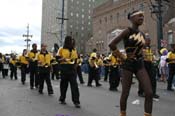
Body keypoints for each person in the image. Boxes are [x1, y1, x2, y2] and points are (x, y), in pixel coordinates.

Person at [109, 10, 153, 116]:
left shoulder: (142, 34)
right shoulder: (127, 31)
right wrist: (122, 56)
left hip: (139, 64)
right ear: (132, 19)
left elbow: (141, 48)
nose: (142, 18)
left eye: (143, 16)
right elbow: (112, 44)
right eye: (139, 16)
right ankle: (123, 114)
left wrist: (143, 54)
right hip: (127, 64)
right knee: (125, 93)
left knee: (149, 92)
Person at [57, 36, 80, 108]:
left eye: (73, 40)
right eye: (71, 40)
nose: (72, 42)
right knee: (64, 85)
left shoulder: (74, 50)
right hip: (64, 68)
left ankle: (76, 101)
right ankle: (62, 98)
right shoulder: (61, 49)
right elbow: (57, 58)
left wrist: (75, 67)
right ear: (67, 41)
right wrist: (62, 59)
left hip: (72, 69)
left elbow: (76, 60)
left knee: (74, 86)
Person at [138, 34, 159, 99]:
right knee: (143, 79)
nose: (149, 42)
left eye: (149, 41)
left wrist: (154, 59)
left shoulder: (149, 48)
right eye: (147, 41)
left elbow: (152, 56)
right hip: (143, 63)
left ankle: (153, 92)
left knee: (153, 78)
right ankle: (141, 92)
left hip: (150, 63)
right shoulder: (141, 48)